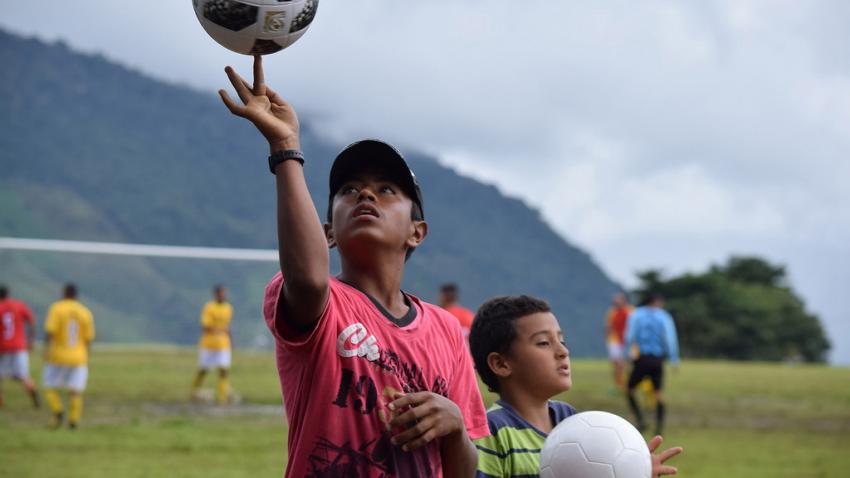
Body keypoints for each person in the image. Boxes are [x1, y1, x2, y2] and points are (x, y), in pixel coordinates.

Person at [219, 55, 488, 477]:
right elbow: (308, 278)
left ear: (417, 232)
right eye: (348, 190)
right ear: (327, 233)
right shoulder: (323, 304)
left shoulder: (446, 330)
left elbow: (463, 469)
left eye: (386, 189)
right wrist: (286, 149)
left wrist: (454, 428)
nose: (365, 195)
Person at [469, 295, 682, 478]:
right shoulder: (492, 432)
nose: (563, 351)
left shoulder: (570, 420)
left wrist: (633, 470)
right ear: (501, 363)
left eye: (562, 341)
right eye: (544, 342)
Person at [624, 293, 680, 436]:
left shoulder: (637, 314)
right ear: (657, 302)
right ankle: (659, 427)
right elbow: (670, 339)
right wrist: (674, 359)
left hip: (642, 359)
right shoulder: (664, 316)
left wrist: (627, 354)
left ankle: (640, 419)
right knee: (658, 394)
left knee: (629, 390)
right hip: (657, 360)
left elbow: (629, 336)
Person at [42, 283, 95, 430]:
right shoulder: (85, 312)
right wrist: (87, 356)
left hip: (58, 355)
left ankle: (58, 410)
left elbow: (50, 332)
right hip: (79, 357)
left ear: (64, 293)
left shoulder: (57, 308)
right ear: (76, 295)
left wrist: (46, 351)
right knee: (75, 391)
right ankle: (73, 420)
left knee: (49, 387)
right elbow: (89, 338)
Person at [191, 285, 233, 405]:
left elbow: (228, 327)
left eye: (224, 293)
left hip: (223, 345)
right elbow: (206, 326)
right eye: (220, 293)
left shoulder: (228, 308)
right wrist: (219, 331)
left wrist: (231, 340)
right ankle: (194, 391)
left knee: (223, 370)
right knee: (203, 369)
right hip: (209, 344)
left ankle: (222, 397)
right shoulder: (209, 307)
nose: (223, 295)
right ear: (215, 294)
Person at [0, 285, 40, 408]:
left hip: (3, 347)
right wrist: (31, 339)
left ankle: (1, 403)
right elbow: (32, 320)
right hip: (19, 346)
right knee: (24, 375)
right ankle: (32, 391)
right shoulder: (18, 305)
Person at [604, 292, 633, 391]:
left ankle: (629, 384)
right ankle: (619, 384)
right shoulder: (612, 312)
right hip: (615, 340)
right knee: (616, 364)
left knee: (627, 364)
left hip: (628, 341)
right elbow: (608, 327)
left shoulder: (631, 311)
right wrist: (608, 340)